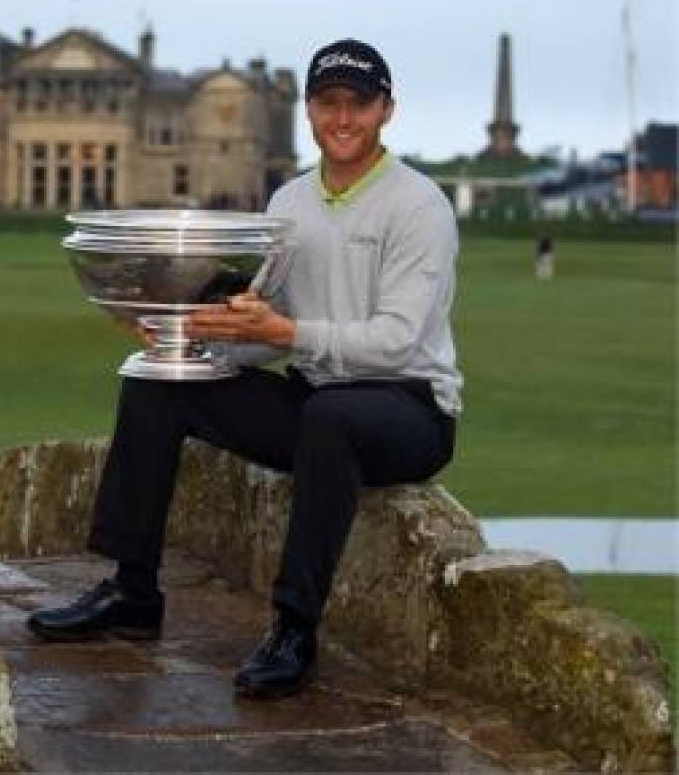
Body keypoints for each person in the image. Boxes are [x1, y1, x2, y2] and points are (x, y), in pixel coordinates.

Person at [27, 39, 463, 700]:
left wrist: (284, 332)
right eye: (328, 103)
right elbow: (263, 328)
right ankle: (132, 590)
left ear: (386, 111)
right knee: (156, 379)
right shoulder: (288, 203)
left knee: (332, 414)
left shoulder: (418, 206)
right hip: (318, 396)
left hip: (410, 410)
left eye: (359, 104)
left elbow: (396, 342)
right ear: (311, 110)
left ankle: (294, 628)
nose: (342, 118)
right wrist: (192, 337)